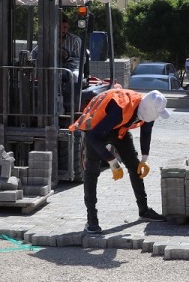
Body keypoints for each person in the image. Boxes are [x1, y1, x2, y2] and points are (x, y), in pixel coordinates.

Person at [69, 87, 170, 233]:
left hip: (119, 130)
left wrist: (145, 159)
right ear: (148, 110)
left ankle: (144, 211)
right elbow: (93, 138)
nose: (156, 118)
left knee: (134, 166)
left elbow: (146, 131)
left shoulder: (148, 110)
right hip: (96, 130)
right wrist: (112, 162)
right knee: (92, 171)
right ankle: (92, 221)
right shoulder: (119, 109)